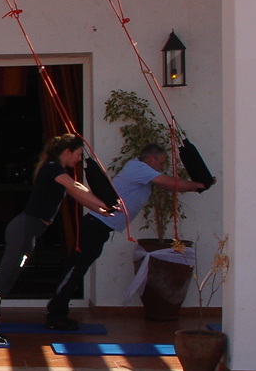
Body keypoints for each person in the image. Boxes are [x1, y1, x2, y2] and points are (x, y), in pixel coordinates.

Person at [45, 142, 208, 331]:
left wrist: (197, 186)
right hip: (95, 225)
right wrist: (199, 185)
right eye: (161, 163)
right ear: (151, 159)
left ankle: (57, 312)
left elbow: (169, 185)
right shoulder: (138, 168)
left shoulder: (141, 172)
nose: (162, 167)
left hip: (100, 227)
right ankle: (55, 315)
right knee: (75, 269)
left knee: (78, 269)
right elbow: (168, 182)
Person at [0, 134, 117, 347]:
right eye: (78, 154)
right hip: (23, 231)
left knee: (9, 279)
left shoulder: (57, 171)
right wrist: (104, 204)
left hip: (28, 233)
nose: (79, 159)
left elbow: (78, 193)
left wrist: (102, 209)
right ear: (67, 152)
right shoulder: (52, 167)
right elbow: (76, 187)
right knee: (4, 278)